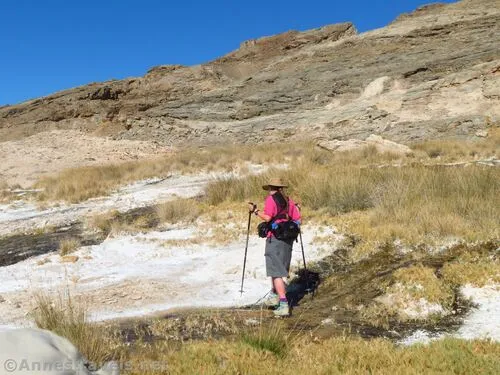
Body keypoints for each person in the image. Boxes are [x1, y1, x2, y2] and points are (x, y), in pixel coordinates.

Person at [249, 178, 301, 317]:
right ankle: (274, 296)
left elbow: (267, 217)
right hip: (288, 239)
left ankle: (283, 304)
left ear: (272, 188)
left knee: (276, 272)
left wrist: (255, 211)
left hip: (275, 239)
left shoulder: (271, 199)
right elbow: (297, 218)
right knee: (277, 269)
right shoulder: (289, 201)